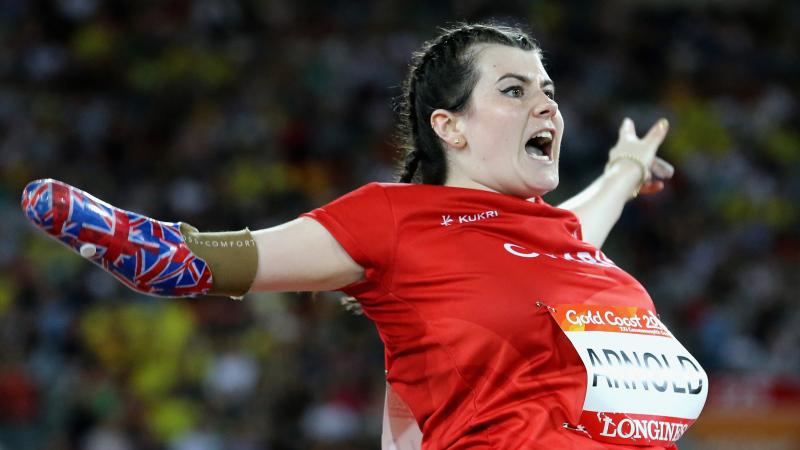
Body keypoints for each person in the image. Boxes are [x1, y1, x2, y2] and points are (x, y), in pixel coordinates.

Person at [22, 23, 706, 450]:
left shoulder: (565, 245)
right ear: (451, 126)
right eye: (514, 89)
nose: (547, 102)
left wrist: (624, 169)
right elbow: (183, 264)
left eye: (548, 87)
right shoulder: (398, 220)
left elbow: (588, 219)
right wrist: (98, 226)